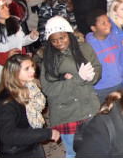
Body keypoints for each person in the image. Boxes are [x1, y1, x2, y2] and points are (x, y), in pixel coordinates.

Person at [40, 16, 101, 158]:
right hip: (68, 113)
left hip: (89, 107)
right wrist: (78, 79)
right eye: (54, 40)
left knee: (96, 148)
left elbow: (96, 66)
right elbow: (48, 89)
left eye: (62, 38)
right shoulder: (50, 59)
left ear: (69, 34)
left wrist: (93, 77)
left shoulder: (84, 47)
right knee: (74, 152)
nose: (59, 43)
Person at [0, 54, 60, 157]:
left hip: (32, 144)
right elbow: (8, 135)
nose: (33, 71)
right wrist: (46, 133)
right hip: (16, 152)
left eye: (32, 66)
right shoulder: (6, 101)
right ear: (14, 72)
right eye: (27, 69)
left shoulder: (30, 88)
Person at [85, 9, 123, 104]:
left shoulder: (114, 38)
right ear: (93, 28)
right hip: (100, 90)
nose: (108, 25)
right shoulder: (88, 46)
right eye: (103, 23)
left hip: (118, 85)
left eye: (108, 21)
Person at [0, 0, 39, 89]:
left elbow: (21, 41)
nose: (7, 9)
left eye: (6, 6)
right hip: (2, 71)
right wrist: (7, 55)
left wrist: (31, 37)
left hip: (19, 66)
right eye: (3, 7)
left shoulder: (14, 23)